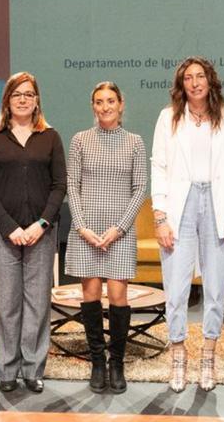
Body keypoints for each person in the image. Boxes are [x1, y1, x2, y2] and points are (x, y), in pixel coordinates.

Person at [151, 56, 224, 392]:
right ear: (181, 85)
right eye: (188, 77)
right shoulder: (168, 118)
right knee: (176, 288)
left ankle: (208, 355)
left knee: (215, 288)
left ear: (210, 80)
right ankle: (178, 355)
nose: (194, 82)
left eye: (200, 76)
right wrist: (160, 217)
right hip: (181, 207)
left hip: (219, 206)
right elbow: (159, 167)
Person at [0, 72, 66, 394]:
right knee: (5, 302)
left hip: (42, 231)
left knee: (38, 302)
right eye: (17, 95)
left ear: (37, 99)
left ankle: (33, 368)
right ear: (8, 101)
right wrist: (10, 227)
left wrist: (41, 224)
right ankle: (6, 370)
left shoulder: (51, 137)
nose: (23, 99)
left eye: (29, 94)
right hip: (2, 232)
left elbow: (59, 186)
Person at [66, 81, 147, 394]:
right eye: (99, 102)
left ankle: (117, 362)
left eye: (110, 100)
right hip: (86, 231)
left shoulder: (135, 142)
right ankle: (97, 362)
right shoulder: (80, 140)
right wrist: (82, 226)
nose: (105, 107)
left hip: (119, 232)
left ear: (121, 103)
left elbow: (140, 188)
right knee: (89, 296)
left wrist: (119, 228)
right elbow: (72, 185)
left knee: (117, 297)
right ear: (93, 106)